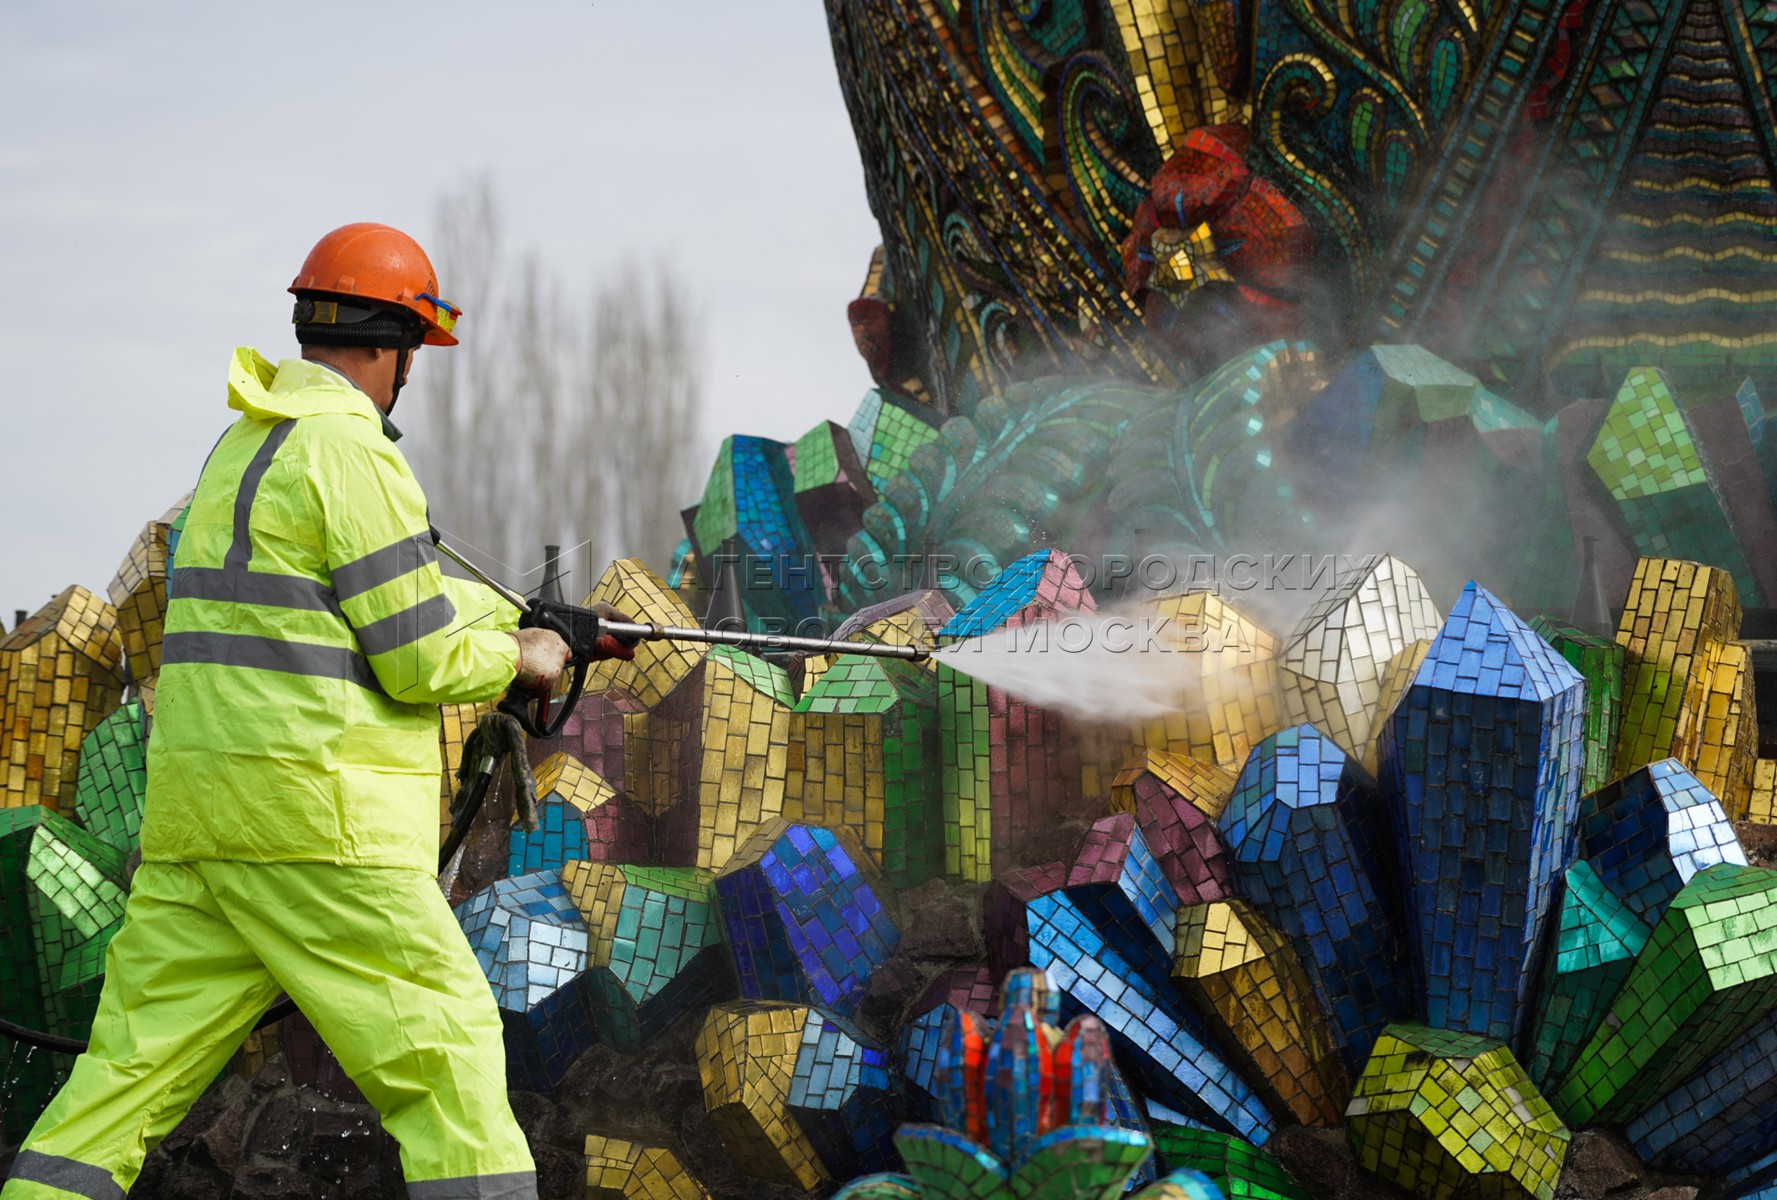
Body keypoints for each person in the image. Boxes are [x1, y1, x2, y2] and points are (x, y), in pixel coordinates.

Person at [3, 223, 630, 1200]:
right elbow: (419, 658)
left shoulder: (239, 451)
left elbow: (333, 612)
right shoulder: (354, 455)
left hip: (200, 835)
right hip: (319, 833)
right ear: (397, 347)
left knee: (119, 1084)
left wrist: (514, 620)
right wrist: (526, 653)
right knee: (449, 1059)